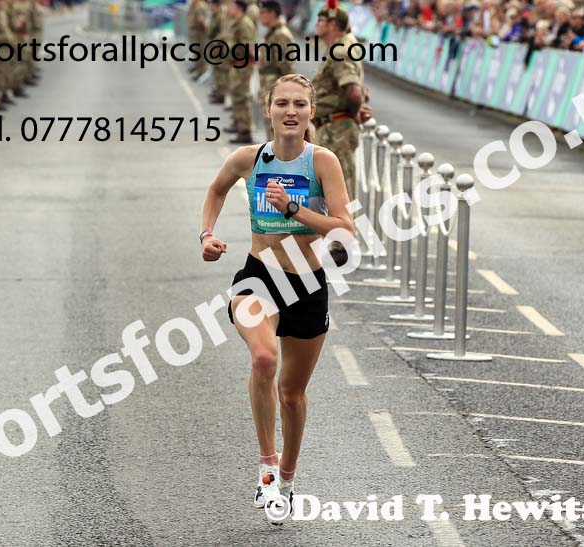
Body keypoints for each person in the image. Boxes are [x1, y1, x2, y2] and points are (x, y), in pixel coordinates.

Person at [200, 73, 355, 523]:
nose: (291, 112)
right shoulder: (248, 158)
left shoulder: (322, 162)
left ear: (311, 113)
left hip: (306, 283)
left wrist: (295, 210)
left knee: (292, 394)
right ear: (267, 109)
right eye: (282, 103)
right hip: (258, 277)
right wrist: (207, 234)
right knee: (264, 359)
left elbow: (345, 226)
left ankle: (288, 475)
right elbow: (215, 190)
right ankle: (267, 467)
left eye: (299, 105)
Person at [312, 0, 370, 201]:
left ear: (333, 25)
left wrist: (354, 113)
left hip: (336, 130)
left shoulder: (340, 51)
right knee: (334, 190)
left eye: (322, 20)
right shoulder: (344, 45)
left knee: (340, 191)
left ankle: (344, 232)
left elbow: (353, 92)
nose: (317, 23)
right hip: (333, 127)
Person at [257, 0, 294, 141]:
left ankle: (278, 159)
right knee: (270, 124)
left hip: (276, 85)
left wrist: (285, 91)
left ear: (272, 14)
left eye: (263, 13)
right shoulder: (272, 33)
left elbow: (285, 66)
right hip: (269, 84)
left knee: (275, 127)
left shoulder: (280, 35)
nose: (259, 16)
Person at [224, 0, 256, 144]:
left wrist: (246, 62)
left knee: (241, 96)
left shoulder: (244, 23)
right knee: (236, 95)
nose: (229, 8)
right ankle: (239, 125)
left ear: (238, 8)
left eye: (232, 6)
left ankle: (245, 131)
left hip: (242, 65)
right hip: (236, 64)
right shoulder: (237, 21)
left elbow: (249, 45)